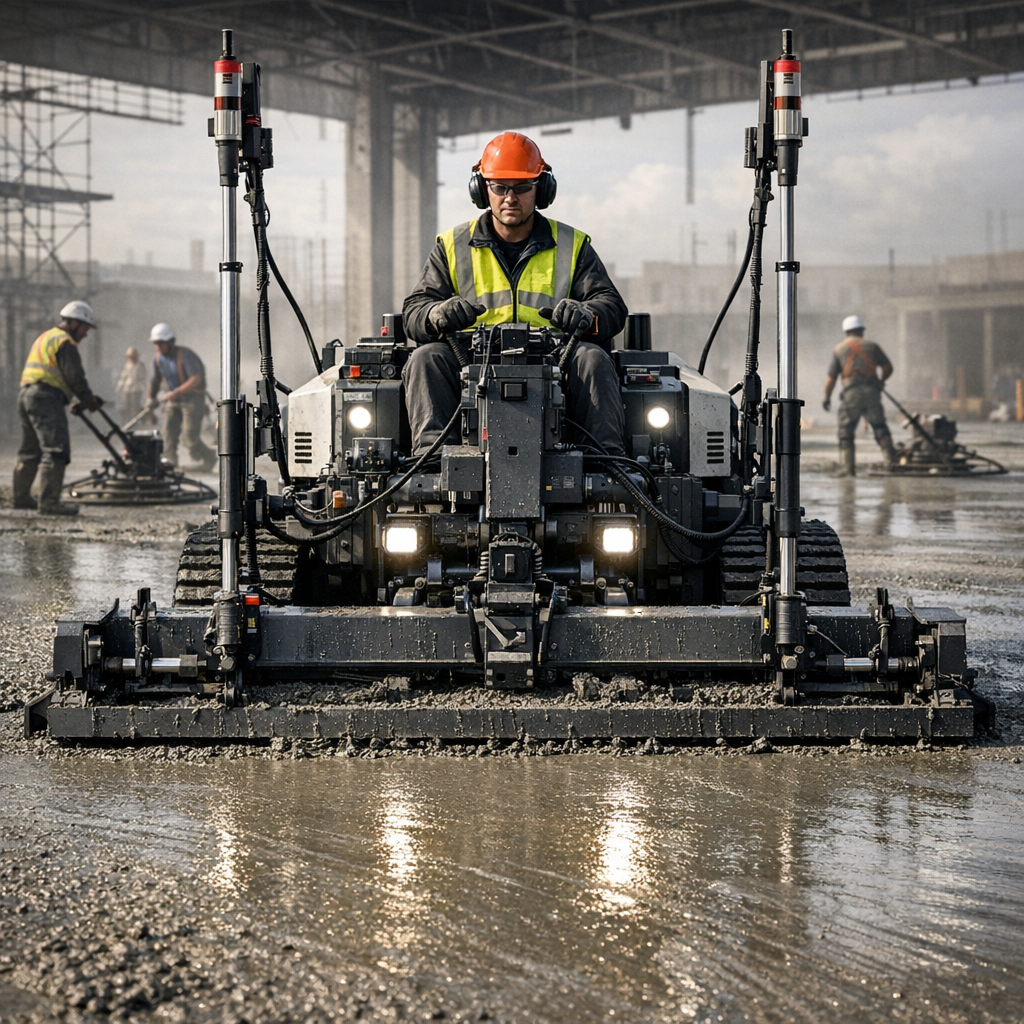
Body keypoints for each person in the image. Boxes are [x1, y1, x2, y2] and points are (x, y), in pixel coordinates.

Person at [402, 131, 628, 455]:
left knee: (593, 359)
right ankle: (433, 463)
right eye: (499, 187)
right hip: (470, 361)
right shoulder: (451, 246)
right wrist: (435, 314)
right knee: (426, 359)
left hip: (555, 361)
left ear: (542, 190)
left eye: (522, 187)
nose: (510, 197)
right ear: (482, 190)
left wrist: (586, 315)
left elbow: (611, 306)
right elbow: (414, 311)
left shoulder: (572, 245)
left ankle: (606, 465)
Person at [12, 300, 104, 516]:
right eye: (84, 329)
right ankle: (49, 503)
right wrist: (88, 400)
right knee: (56, 450)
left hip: (27, 395)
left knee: (29, 450)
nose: (85, 334)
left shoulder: (45, 337)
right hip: (45, 397)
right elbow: (75, 377)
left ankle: (21, 498)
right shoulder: (65, 342)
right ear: (73, 323)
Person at [822, 315, 897, 476]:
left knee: (846, 431)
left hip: (851, 395)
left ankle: (848, 469)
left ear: (846, 331)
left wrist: (826, 398)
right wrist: (880, 381)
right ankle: (890, 464)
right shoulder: (873, 346)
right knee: (880, 427)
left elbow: (831, 379)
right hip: (872, 393)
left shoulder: (839, 349)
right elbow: (888, 367)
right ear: (862, 331)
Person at [145, 323, 215, 471]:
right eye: (155, 344)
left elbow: (196, 378)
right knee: (168, 433)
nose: (157, 347)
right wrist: (150, 399)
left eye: (160, 343)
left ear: (170, 342)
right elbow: (154, 380)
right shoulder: (157, 359)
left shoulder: (185, 355)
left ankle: (209, 457)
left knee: (189, 438)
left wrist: (176, 392)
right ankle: (170, 463)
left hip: (193, 400)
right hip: (173, 400)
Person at [115, 346, 149, 424]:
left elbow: (143, 376)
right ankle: (126, 421)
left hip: (137, 389)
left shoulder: (140, 365)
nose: (130, 358)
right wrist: (119, 386)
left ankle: (135, 422)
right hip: (127, 389)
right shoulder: (127, 365)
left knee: (135, 406)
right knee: (125, 406)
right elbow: (124, 376)